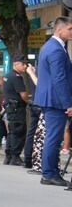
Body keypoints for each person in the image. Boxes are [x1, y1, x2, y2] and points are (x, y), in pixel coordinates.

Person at [33, 16, 72, 186]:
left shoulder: (51, 46)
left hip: (51, 99)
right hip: (55, 100)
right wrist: (68, 103)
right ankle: (48, 173)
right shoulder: (56, 49)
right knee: (53, 138)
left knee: (53, 137)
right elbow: (59, 79)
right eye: (70, 29)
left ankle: (52, 172)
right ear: (59, 30)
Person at [0, 56, 28, 166]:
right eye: (23, 64)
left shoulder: (8, 76)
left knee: (12, 131)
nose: (25, 66)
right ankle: (15, 156)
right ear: (16, 65)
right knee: (18, 131)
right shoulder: (16, 77)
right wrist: (28, 101)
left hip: (11, 107)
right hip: (17, 108)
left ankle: (9, 156)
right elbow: (23, 94)